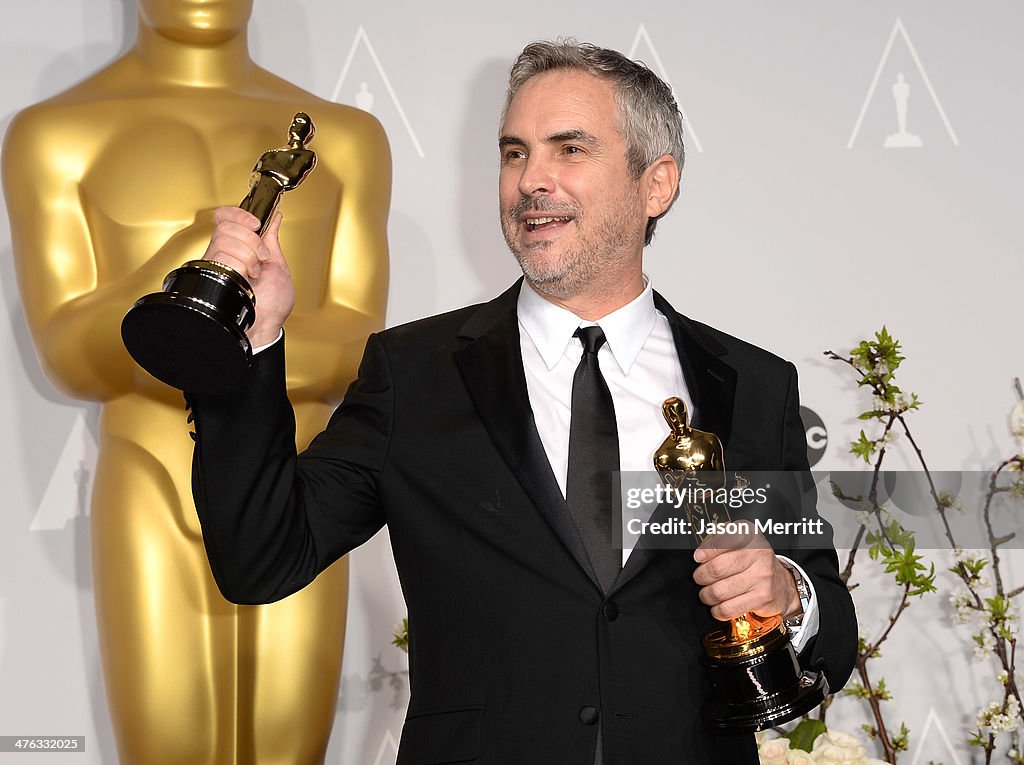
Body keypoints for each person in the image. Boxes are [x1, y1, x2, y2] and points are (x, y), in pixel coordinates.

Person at [190, 40, 856, 763]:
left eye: (569, 149)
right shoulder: (413, 372)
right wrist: (252, 344)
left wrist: (786, 593)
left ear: (655, 183)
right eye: (514, 153)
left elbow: (831, 627)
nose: (531, 180)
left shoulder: (751, 384)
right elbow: (260, 555)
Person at [2, 1, 390, 762]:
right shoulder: (56, 134)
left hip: (300, 482)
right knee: (169, 744)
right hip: (151, 481)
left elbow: (359, 346)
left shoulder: (344, 139)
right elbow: (69, 355)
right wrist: (190, 270)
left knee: (289, 745)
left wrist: (198, 337)